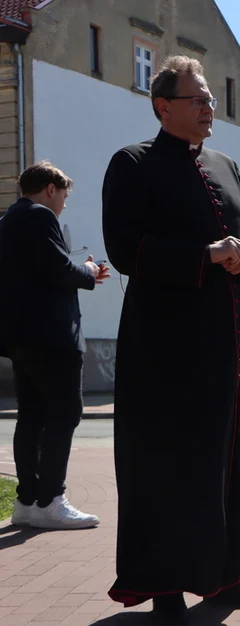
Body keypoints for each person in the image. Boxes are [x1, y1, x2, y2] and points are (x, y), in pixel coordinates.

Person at [101, 55, 240, 625]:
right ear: (163, 106)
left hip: (227, 351)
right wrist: (204, 256)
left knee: (231, 460)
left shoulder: (226, 164)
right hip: (165, 351)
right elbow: (127, 248)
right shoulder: (132, 164)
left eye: (210, 99)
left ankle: (230, 575)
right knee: (169, 464)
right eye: (198, 99)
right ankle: (166, 585)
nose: (210, 108)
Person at [0, 162, 110, 530]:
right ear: (50, 189)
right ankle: (51, 499)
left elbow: (44, 269)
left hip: (22, 338)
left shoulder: (10, 219)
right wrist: (91, 273)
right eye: (64, 194)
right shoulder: (39, 217)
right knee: (64, 415)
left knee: (31, 417)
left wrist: (76, 269)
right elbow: (60, 271)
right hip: (53, 337)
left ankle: (28, 501)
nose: (64, 202)